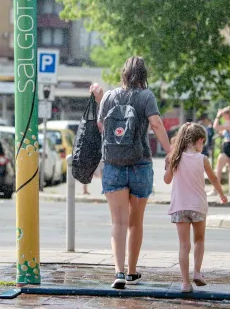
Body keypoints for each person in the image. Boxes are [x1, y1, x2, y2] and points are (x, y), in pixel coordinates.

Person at [89, 56, 172, 289]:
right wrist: (170, 151)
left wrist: (100, 99)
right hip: (140, 164)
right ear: (144, 75)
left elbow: (101, 126)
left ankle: (119, 273)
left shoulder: (109, 96)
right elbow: (156, 124)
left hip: (113, 165)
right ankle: (133, 272)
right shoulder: (147, 96)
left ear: (123, 73)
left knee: (118, 222)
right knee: (135, 222)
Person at [164, 122, 227, 293]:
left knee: (184, 245)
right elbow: (213, 179)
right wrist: (221, 194)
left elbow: (167, 180)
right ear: (199, 140)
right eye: (203, 143)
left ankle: (185, 283)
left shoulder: (174, 157)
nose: (202, 147)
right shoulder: (202, 159)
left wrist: (169, 163)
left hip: (179, 207)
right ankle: (197, 272)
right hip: (198, 206)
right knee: (199, 240)